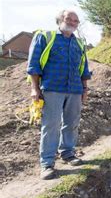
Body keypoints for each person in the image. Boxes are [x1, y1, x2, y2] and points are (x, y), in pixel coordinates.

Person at [27, 10, 91, 180]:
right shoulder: (45, 37)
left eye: (76, 20)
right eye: (68, 18)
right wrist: (35, 88)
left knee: (72, 123)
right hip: (52, 88)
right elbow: (33, 65)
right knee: (51, 125)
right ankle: (47, 163)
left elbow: (84, 68)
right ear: (60, 20)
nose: (72, 22)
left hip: (75, 89)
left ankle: (68, 153)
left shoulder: (79, 43)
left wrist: (85, 89)